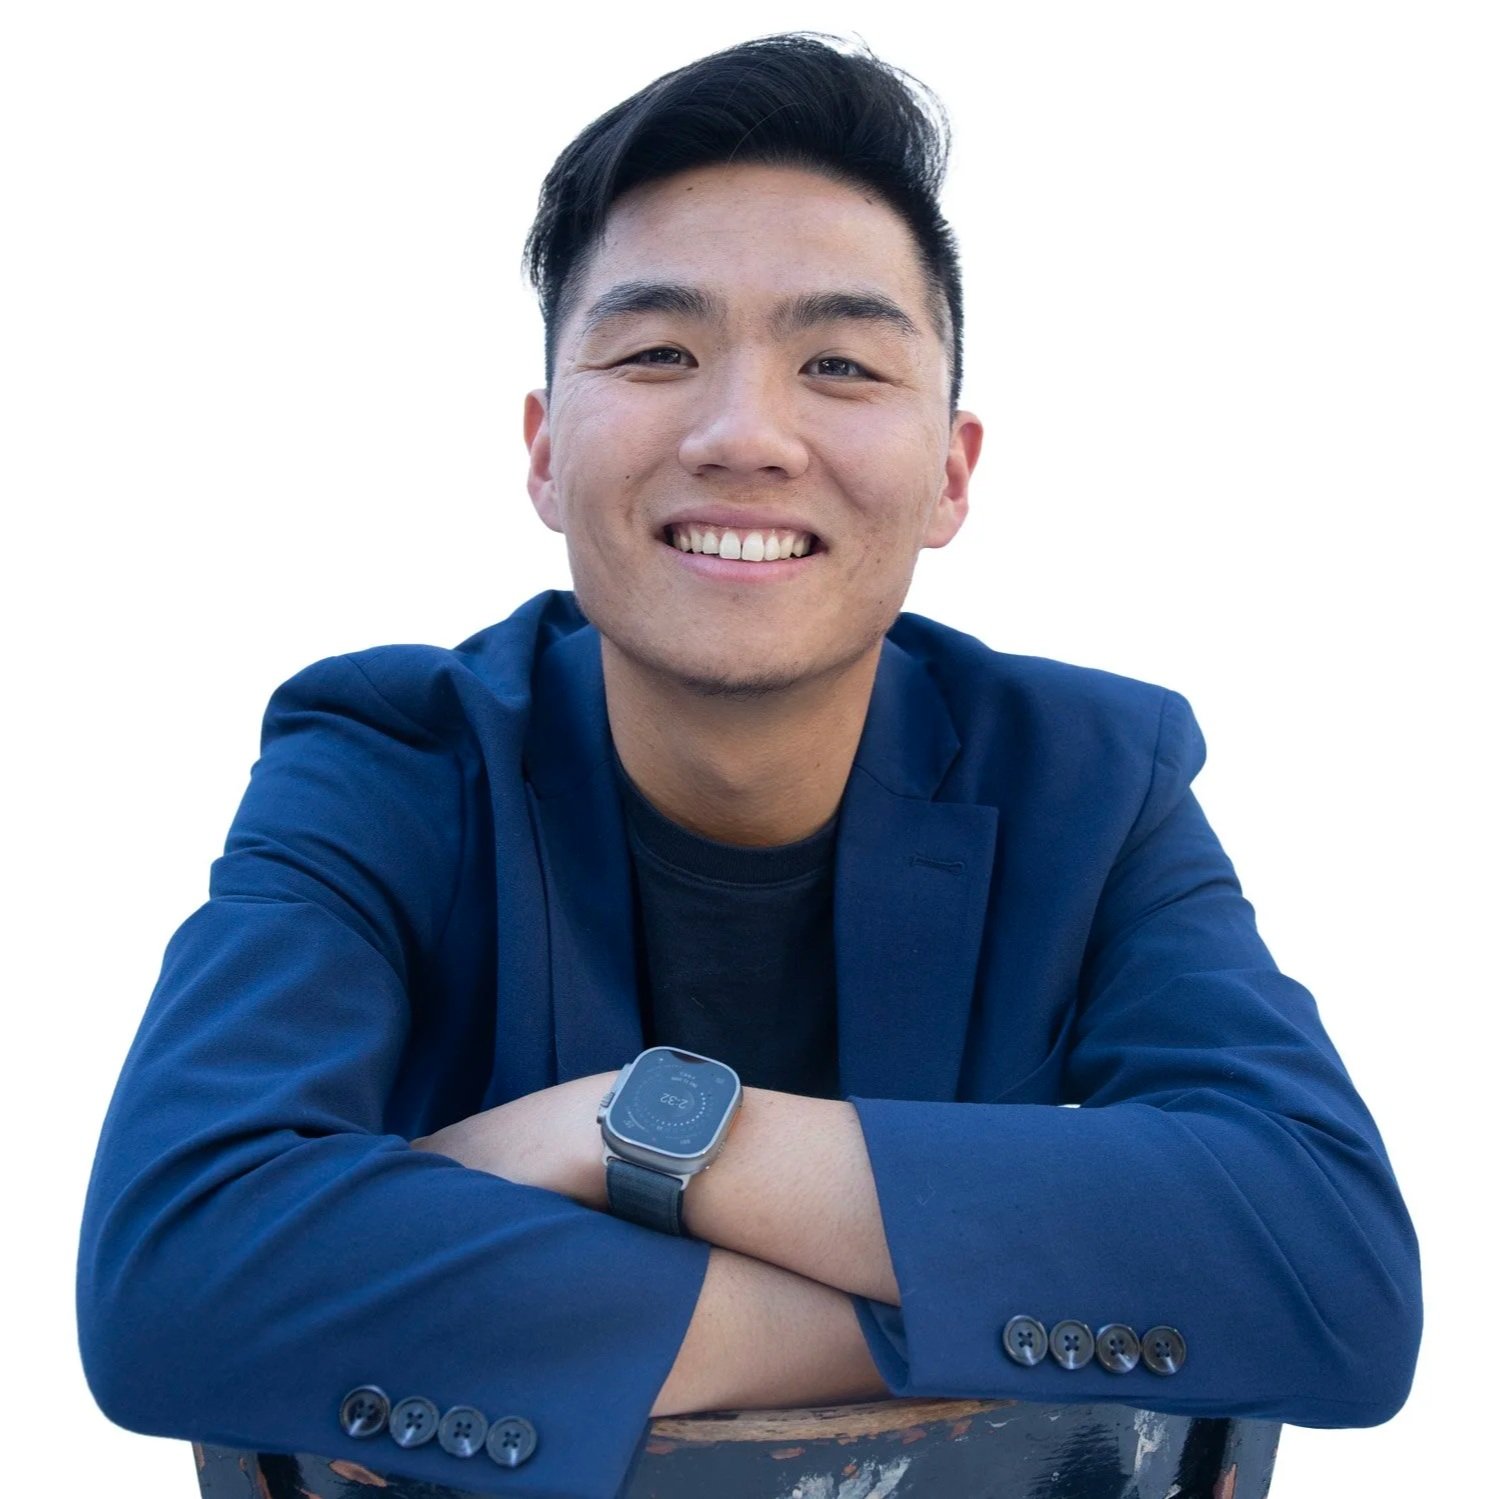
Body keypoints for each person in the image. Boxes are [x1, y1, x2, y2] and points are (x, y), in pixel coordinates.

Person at [76, 30, 1422, 1499]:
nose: (743, 434)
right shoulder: (388, 761)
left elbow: (1327, 1267)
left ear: (952, 473)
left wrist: (635, 1133)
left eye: (838, 363)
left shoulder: (1089, 782)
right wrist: (916, 1314)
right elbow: (181, 1268)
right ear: (541, 451)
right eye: (658, 353)